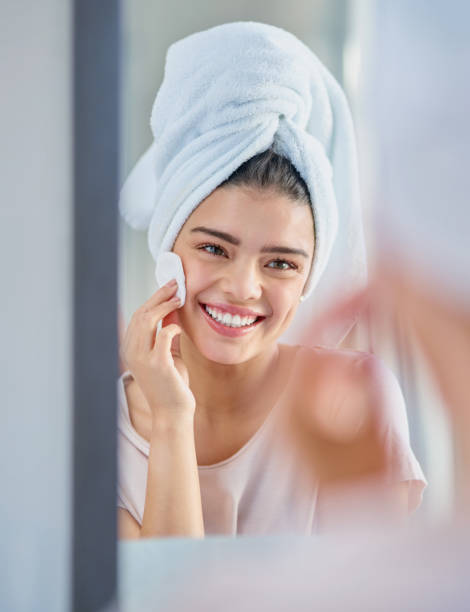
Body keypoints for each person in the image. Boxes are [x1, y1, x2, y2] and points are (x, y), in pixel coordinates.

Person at [116, 22, 425, 539]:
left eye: (280, 262)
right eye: (214, 248)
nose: (242, 287)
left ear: (309, 276)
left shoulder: (351, 402)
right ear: (168, 251)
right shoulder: (97, 438)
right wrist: (171, 421)